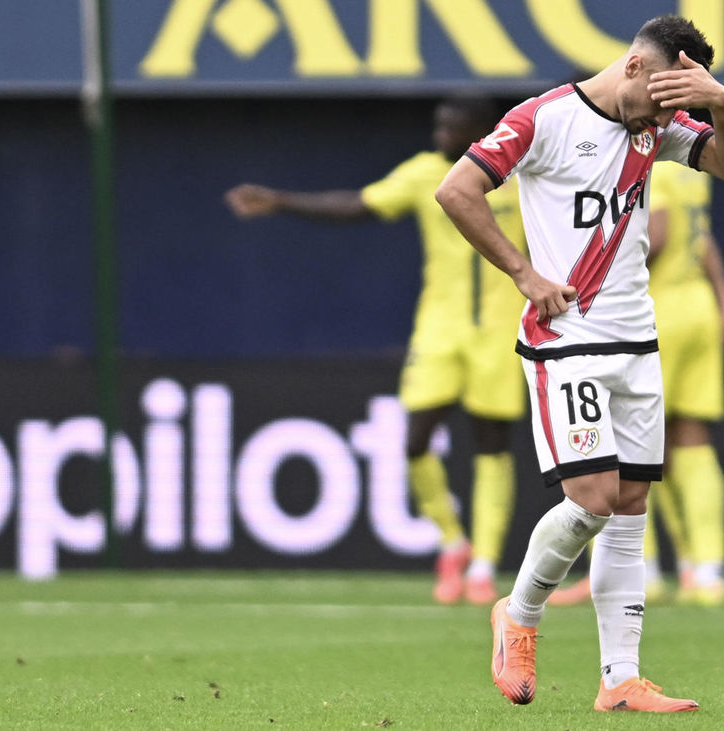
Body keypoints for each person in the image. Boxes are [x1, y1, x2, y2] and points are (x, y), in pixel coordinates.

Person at [435, 14, 724, 713]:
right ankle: (517, 615)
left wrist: (720, 105)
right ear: (637, 67)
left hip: (637, 342)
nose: (665, 119)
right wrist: (522, 272)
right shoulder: (543, 119)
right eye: (662, 100)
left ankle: (621, 677)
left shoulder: (656, 125)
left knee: (631, 508)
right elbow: (456, 191)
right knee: (592, 502)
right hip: (565, 338)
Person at [224, 97, 527, 606]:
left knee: (491, 445)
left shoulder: (521, 174)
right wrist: (279, 200)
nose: (441, 133)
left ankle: (483, 566)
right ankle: (452, 540)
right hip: (440, 328)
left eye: (453, 125)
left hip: (500, 330)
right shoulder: (423, 173)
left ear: (483, 128)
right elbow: (356, 205)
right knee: (414, 441)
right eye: (438, 123)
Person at [547, 161, 724, 608]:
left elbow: (654, 236)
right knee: (690, 441)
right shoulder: (688, 167)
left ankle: (641, 571)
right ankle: (707, 571)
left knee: (625, 444)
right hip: (695, 305)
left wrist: (587, 282)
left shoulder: (643, 161)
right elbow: (699, 239)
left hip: (654, 312)